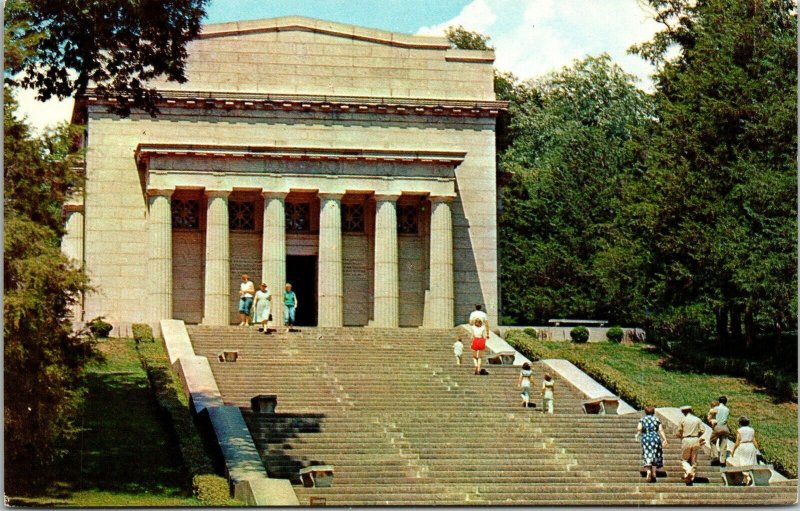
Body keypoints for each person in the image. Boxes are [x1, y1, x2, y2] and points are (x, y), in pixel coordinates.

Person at [636, 406, 668, 482]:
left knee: (647, 454)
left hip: (646, 438)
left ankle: (648, 471)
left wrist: (639, 433)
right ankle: (654, 472)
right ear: (653, 412)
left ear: (645, 412)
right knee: (655, 455)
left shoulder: (643, 419)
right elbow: (661, 430)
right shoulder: (656, 419)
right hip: (655, 438)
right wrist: (665, 439)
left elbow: (639, 428)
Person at [676, 405, 706, 485]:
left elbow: (679, 432)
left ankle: (689, 471)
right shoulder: (697, 419)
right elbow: (703, 430)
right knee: (694, 460)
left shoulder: (683, 420)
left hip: (686, 439)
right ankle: (691, 476)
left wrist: (681, 436)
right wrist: (697, 435)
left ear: (683, 412)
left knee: (684, 459)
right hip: (696, 439)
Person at [728, 416, 760, 484]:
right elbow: (754, 440)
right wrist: (757, 449)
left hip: (743, 446)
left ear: (740, 423)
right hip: (751, 446)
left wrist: (733, 450)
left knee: (743, 463)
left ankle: (747, 477)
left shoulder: (739, 430)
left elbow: (737, 442)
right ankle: (748, 478)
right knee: (750, 462)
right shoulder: (752, 430)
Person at [707, 395, 731, 465]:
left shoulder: (715, 408)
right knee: (723, 444)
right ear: (726, 402)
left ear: (719, 401)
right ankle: (723, 460)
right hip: (725, 428)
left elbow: (710, 417)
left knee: (712, 441)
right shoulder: (727, 409)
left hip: (717, 427)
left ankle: (715, 456)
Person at [469, 305, 489, 375]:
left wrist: (471, 343)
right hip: (481, 340)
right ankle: (479, 368)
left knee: (474, 356)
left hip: (475, 340)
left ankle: (475, 365)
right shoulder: (483, 327)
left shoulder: (473, 327)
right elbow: (484, 335)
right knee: (480, 357)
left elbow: (472, 336)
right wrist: (488, 335)